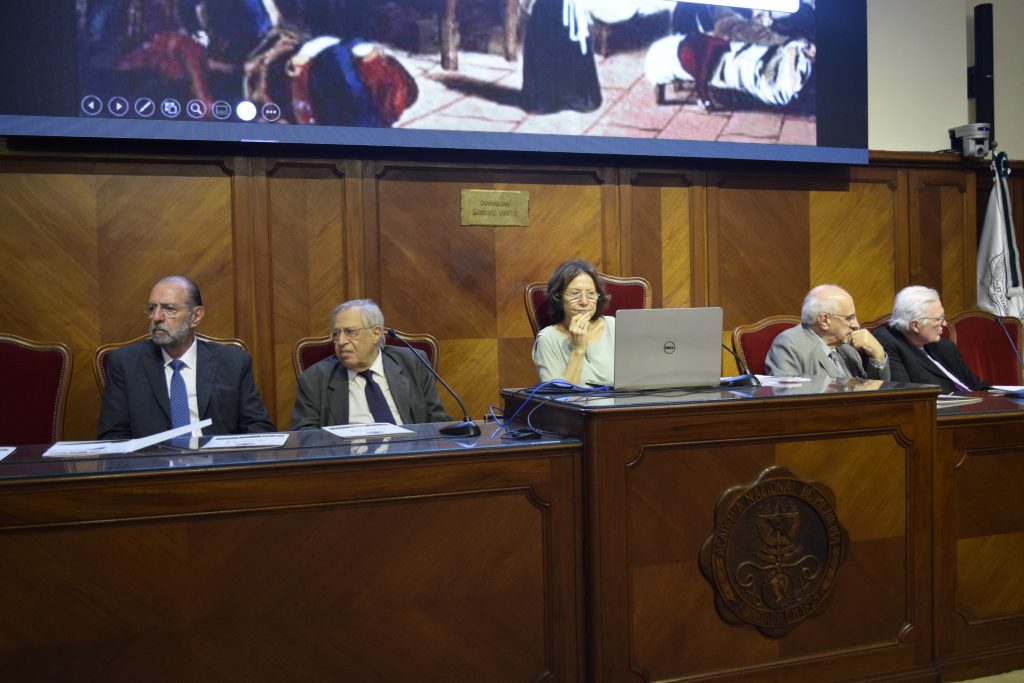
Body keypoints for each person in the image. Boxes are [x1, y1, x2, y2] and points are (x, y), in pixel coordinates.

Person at [97, 275, 275, 439]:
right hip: (154, 468)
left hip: (217, 467)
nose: (157, 317)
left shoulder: (233, 362)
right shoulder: (126, 363)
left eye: (169, 309)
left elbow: (258, 427)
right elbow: (112, 436)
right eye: (152, 308)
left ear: (195, 316)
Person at [290, 299, 450, 429]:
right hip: (349, 463)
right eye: (336, 334)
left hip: (409, 459)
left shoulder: (413, 362)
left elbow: (436, 419)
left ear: (375, 334)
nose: (341, 341)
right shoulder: (314, 379)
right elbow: (305, 435)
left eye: (350, 332)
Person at [874, 286, 991, 393]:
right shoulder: (888, 342)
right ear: (916, 325)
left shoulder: (945, 347)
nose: (944, 323)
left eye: (943, 317)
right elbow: (905, 395)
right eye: (938, 319)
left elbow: (977, 386)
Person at [765, 284, 890, 382]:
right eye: (850, 318)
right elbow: (786, 398)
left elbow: (872, 397)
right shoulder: (789, 345)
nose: (856, 325)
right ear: (824, 320)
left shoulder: (849, 351)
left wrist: (878, 356)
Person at [532, 259, 614, 386]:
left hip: (624, 405)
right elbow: (558, 400)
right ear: (558, 297)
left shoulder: (615, 327)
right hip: (578, 405)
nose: (584, 302)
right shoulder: (548, 339)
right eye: (575, 294)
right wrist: (578, 350)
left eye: (591, 293)